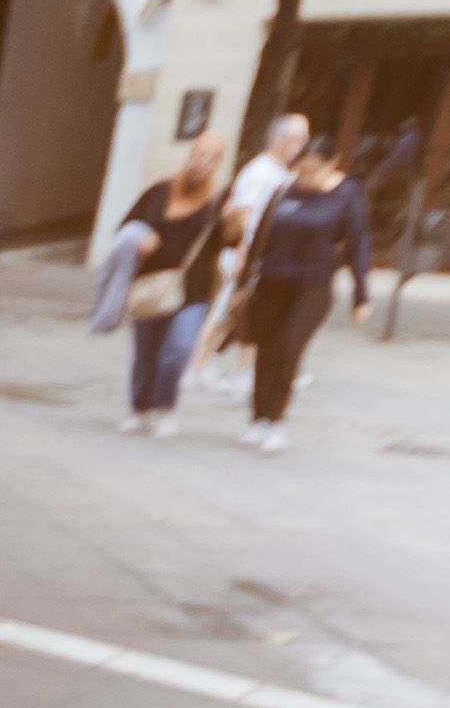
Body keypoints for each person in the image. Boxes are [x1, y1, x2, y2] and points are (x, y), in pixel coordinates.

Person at [236, 133, 370, 453]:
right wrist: (242, 283)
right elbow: (261, 236)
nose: (305, 177)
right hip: (272, 283)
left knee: (288, 349)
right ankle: (259, 418)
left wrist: (361, 295)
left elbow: (358, 243)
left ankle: (277, 421)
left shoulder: (347, 194)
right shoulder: (284, 190)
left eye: (313, 170)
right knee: (266, 350)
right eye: (302, 169)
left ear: (332, 164)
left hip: (313, 287)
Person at [109, 131, 229, 436]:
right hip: (151, 284)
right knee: (146, 350)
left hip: (194, 290)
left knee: (179, 348)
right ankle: (139, 409)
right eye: (199, 155)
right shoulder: (159, 191)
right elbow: (125, 226)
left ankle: (164, 408)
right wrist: (141, 237)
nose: (202, 163)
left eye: (211, 158)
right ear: (190, 156)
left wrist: (236, 223)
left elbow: (227, 241)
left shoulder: (217, 203)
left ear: (217, 163)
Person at [196, 112, 309, 395]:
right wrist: (243, 254)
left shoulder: (281, 172)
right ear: (278, 139)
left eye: (303, 139)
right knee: (227, 311)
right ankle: (199, 366)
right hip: (246, 256)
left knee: (248, 315)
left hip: (261, 256)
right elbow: (243, 215)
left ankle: (243, 372)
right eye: (297, 138)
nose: (301, 145)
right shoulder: (260, 171)